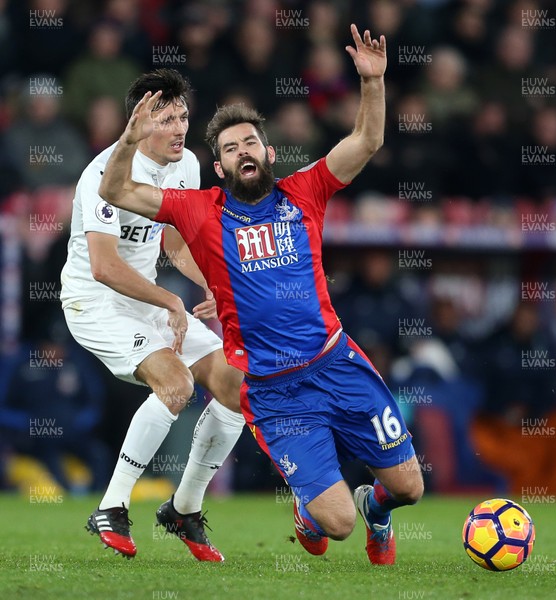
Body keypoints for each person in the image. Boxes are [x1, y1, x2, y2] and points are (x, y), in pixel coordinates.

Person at [99, 26, 424, 565]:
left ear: (268, 153)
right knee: (335, 527)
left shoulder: (306, 191)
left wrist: (373, 82)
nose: (242, 151)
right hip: (277, 394)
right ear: (220, 167)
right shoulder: (199, 210)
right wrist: (130, 139)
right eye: (230, 148)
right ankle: (314, 510)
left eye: (250, 141)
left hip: (337, 362)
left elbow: (367, 141)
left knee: (410, 487)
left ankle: (379, 509)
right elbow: (115, 191)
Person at [60, 69, 245, 561]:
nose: (180, 127)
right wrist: (171, 300)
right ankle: (112, 506)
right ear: (138, 122)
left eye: (183, 115)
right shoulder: (103, 174)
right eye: (165, 118)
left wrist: (211, 284)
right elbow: (104, 266)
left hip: (146, 299)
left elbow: (174, 240)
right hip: (93, 303)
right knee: (177, 383)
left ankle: (184, 509)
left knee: (234, 382)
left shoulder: (186, 165)